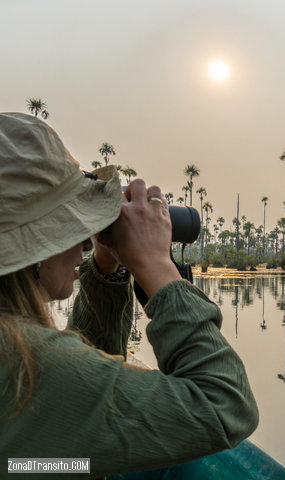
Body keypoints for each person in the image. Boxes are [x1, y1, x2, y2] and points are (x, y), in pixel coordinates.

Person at [0, 112, 259, 477]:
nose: (86, 242)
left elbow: (81, 387)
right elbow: (224, 405)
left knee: (66, 466)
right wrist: (156, 267)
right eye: (69, 225)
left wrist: (109, 270)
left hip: (26, 467)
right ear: (32, 245)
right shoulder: (25, 364)